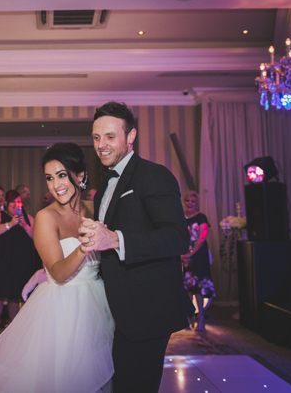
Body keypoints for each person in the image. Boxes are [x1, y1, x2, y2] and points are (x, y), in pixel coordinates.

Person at [0, 143, 114, 393]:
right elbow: (59, 273)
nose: (55, 185)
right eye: (49, 178)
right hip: (62, 309)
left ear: (80, 175)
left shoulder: (95, 208)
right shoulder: (45, 217)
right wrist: (85, 246)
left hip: (98, 301)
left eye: (61, 175)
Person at [79, 101, 194, 393]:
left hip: (147, 311)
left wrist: (116, 239)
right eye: (96, 137)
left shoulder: (153, 174)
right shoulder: (103, 189)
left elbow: (178, 237)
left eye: (110, 136)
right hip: (116, 310)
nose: (101, 145)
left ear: (131, 136)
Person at [0, 189, 37, 346]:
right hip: (0, 262)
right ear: (6, 203)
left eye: (18, 202)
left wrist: (25, 226)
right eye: (12, 202)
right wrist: (10, 224)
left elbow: (37, 236)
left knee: (15, 298)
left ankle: (14, 333)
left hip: (20, 263)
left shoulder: (28, 218)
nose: (15, 205)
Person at [182, 190, 215, 331]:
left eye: (193, 201)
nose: (190, 203)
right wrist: (183, 255)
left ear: (197, 204)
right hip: (185, 256)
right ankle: (189, 318)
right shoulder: (181, 218)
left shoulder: (201, 217)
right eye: (188, 200)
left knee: (198, 287)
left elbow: (202, 237)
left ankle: (201, 318)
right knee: (188, 287)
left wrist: (191, 253)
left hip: (199, 255)